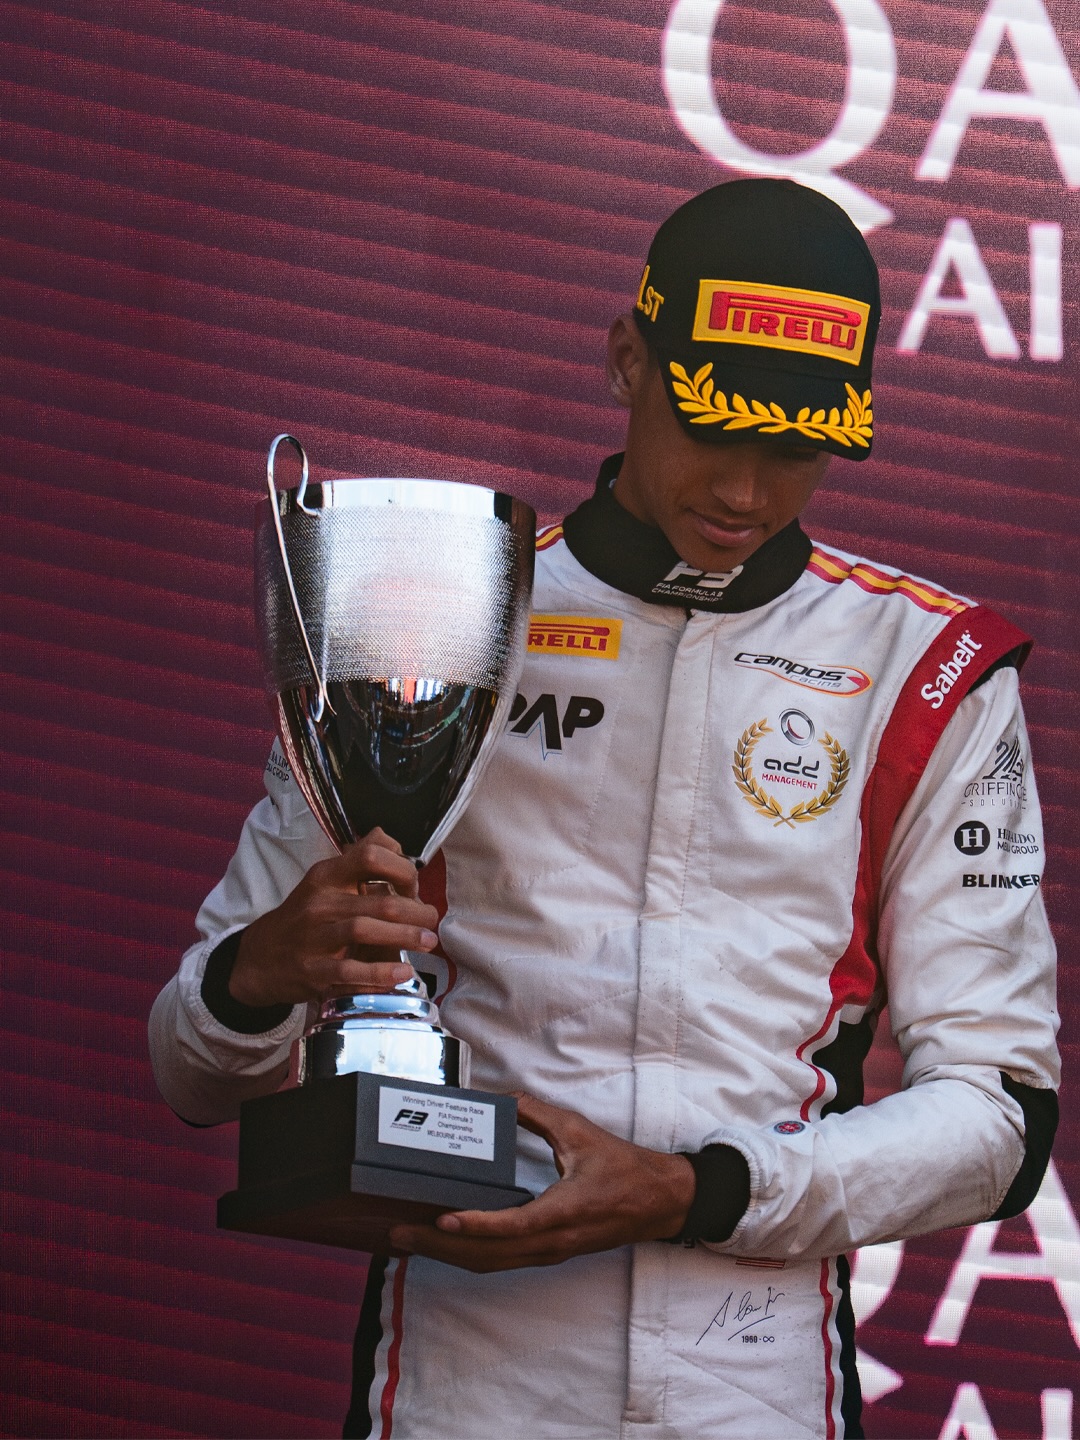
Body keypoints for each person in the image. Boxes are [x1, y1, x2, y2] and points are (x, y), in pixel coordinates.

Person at [150, 180, 1059, 1440]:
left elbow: (1002, 1119)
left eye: (795, 449)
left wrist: (695, 1192)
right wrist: (259, 976)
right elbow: (189, 1066)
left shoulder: (926, 669)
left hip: (761, 1386)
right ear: (628, 357)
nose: (746, 490)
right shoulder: (441, 616)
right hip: (468, 1384)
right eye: (712, 427)